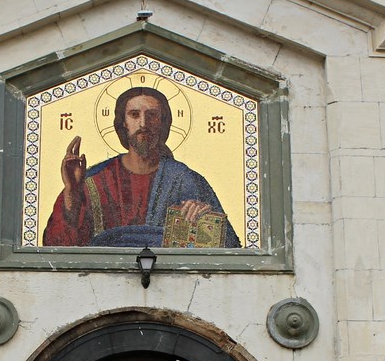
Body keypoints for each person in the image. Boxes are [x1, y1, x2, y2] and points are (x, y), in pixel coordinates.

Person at [43, 86, 240, 249]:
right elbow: (58, 246)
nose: (143, 123)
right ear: (123, 123)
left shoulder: (186, 180)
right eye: (134, 115)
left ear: (163, 124)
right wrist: (71, 192)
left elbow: (231, 248)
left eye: (152, 115)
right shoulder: (94, 180)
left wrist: (206, 220)